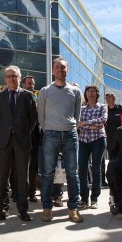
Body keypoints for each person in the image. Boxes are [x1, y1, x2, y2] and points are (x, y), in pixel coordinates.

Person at [37, 57, 83, 223]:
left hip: (70, 134)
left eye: (63, 67)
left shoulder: (76, 92)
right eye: (57, 67)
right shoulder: (45, 91)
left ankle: (73, 209)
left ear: (67, 70)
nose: (60, 70)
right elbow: (40, 116)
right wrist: (48, 128)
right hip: (51, 135)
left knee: (72, 173)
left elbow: (77, 115)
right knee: (47, 173)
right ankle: (47, 208)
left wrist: (71, 127)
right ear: (53, 70)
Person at [0, 66, 37, 221]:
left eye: (15, 76)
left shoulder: (28, 96)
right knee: (2, 177)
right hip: (4, 141)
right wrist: (5, 130)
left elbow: (33, 119)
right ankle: (3, 209)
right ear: (5, 78)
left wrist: (23, 132)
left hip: (22, 141)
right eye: (9, 76)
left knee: (22, 176)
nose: (11, 78)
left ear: (20, 78)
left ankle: (23, 209)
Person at [77, 86, 108, 209]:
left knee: (96, 170)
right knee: (82, 170)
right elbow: (77, 122)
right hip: (83, 141)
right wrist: (92, 125)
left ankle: (94, 198)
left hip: (98, 140)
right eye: (88, 91)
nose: (90, 93)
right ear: (85, 94)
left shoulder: (102, 107)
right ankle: (84, 198)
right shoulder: (81, 109)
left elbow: (103, 120)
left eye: (93, 91)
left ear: (97, 94)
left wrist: (85, 123)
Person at [22, 75, 40, 202]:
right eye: (29, 83)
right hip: (21, 136)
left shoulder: (38, 98)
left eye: (33, 84)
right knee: (21, 166)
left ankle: (32, 193)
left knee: (33, 167)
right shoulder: (20, 97)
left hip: (35, 138)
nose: (31, 86)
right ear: (23, 85)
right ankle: (20, 192)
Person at [103, 93, 122, 186]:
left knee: (121, 156)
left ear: (114, 99)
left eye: (109, 98)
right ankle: (113, 178)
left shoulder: (120, 109)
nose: (108, 99)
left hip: (120, 138)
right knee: (112, 158)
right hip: (109, 139)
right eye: (106, 98)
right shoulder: (105, 110)